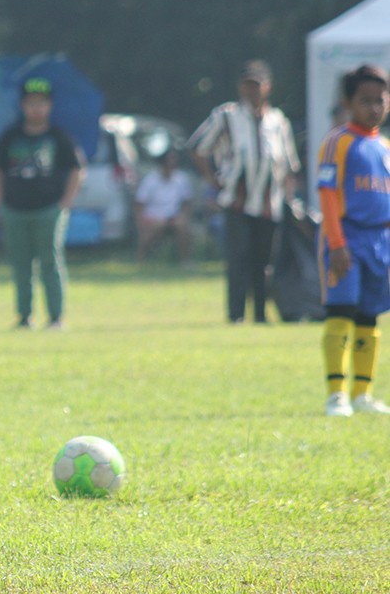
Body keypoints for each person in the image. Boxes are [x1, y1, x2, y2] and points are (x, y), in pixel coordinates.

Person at [192, 60, 301, 324]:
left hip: (269, 203)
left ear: (267, 87)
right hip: (236, 201)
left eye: (256, 85)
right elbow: (198, 147)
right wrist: (213, 181)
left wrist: (289, 198)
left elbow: (289, 164)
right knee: (238, 258)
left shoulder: (277, 121)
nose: (251, 91)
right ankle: (236, 314)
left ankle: (261, 314)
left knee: (264, 263)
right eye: (246, 85)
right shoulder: (226, 116)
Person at [315, 64, 390, 417]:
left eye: (380, 99)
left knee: (369, 316)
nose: (374, 107)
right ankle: (336, 394)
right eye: (365, 100)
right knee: (341, 310)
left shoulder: (384, 147)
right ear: (348, 102)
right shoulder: (339, 141)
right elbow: (328, 194)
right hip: (347, 237)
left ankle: (362, 393)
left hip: (380, 241)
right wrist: (337, 243)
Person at [0, 77, 86, 330]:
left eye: (41, 103)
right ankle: (24, 316)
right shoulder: (10, 136)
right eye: (31, 103)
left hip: (49, 210)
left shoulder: (58, 137)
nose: (36, 109)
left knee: (50, 262)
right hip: (16, 209)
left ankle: (55, 317)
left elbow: (77, 168)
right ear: (22, 105)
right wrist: (0, 201)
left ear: (49, 106)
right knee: (21, 265)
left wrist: (65, 202)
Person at [134, 148, 194, 263]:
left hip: (173, 216)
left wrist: (184, 215)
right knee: (158, 225)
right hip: (153, 216)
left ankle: (186, 260)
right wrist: (140, 222)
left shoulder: (181, 179)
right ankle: (141, 258)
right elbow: (139, 204)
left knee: (182, 225)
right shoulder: (150, 180)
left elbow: (187, 201)